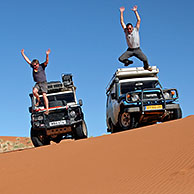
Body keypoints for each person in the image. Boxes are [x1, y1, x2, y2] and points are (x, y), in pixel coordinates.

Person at [118, 5, 152, 71]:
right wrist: (121, 12)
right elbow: (122, 22)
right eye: (128, 29)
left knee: (145, 59)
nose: (129, 30)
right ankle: (128, 62)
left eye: (130, 29)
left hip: (137, 50)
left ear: (132, 28)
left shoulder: (136, 30)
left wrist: (135, 11)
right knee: (121, 59)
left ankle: (146, 67)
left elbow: (139, 20)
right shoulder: (126, 32)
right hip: (130, 50)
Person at [21, 49, 51, 114]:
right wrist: (23, 54)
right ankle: (39, 100)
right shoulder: (33, 67)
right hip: (37, 83)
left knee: (44, 95)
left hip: (43, 83)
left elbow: (47, 61)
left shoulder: (42, 66)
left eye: (35, 65)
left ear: (38, 64)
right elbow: (27, 60)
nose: (34, 67)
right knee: (34, 91)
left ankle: (47, 109)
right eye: (33, 65)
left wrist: (47, 55)